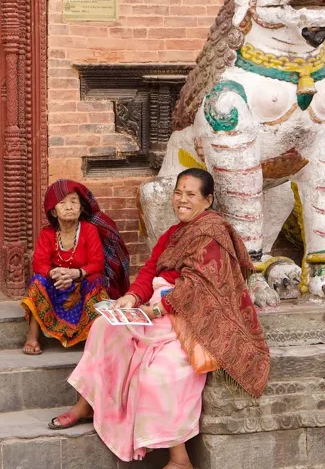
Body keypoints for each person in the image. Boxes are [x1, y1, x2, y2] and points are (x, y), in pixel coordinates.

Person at [53, 169, 269, 469]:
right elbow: (150, 270)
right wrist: (131, 298)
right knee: (105, 326)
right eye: (178, 192)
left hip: (190, 319)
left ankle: (179, 460)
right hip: (155, 309)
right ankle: (86, 404)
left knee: (157, 375)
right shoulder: (174, 233)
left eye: (190, 194)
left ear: (207, 201)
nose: (181, 199)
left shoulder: (213, 233)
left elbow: (197, 287)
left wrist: (155, 310)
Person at [21, 179, 131, 355]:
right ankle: (32, 336)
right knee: (36, 282)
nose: (69, 207)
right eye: (62, 203)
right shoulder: (47, 233)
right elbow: (39, 263)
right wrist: (53, 273)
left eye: (74, 202)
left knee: (97, 281)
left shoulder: (88, 230)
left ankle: (93, 336)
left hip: (81, 282)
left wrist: (76, 273)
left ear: (81, 209)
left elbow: (97, 263)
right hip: (56, 283)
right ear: (54, 212)